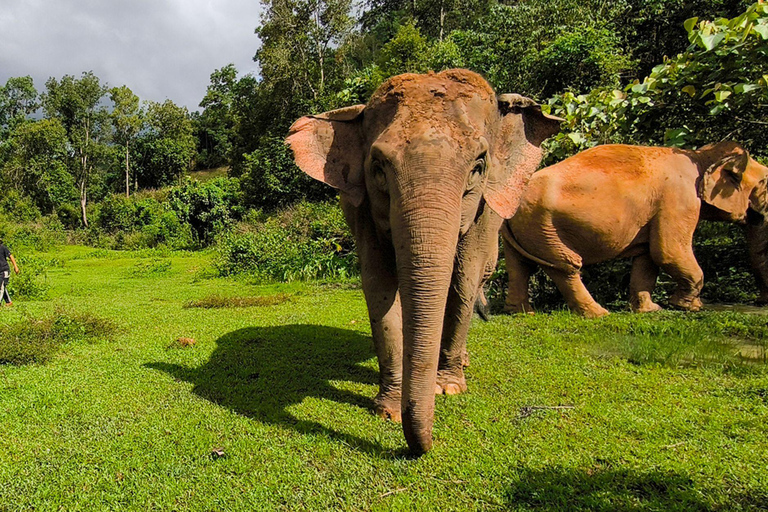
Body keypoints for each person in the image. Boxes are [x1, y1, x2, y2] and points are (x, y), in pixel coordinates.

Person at [0, 238, 20, 307]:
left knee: (1, 286)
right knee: (2, 286)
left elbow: (11, 257)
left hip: (4, 270)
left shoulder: (3, 248)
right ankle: (8, 302)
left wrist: (15, 267)